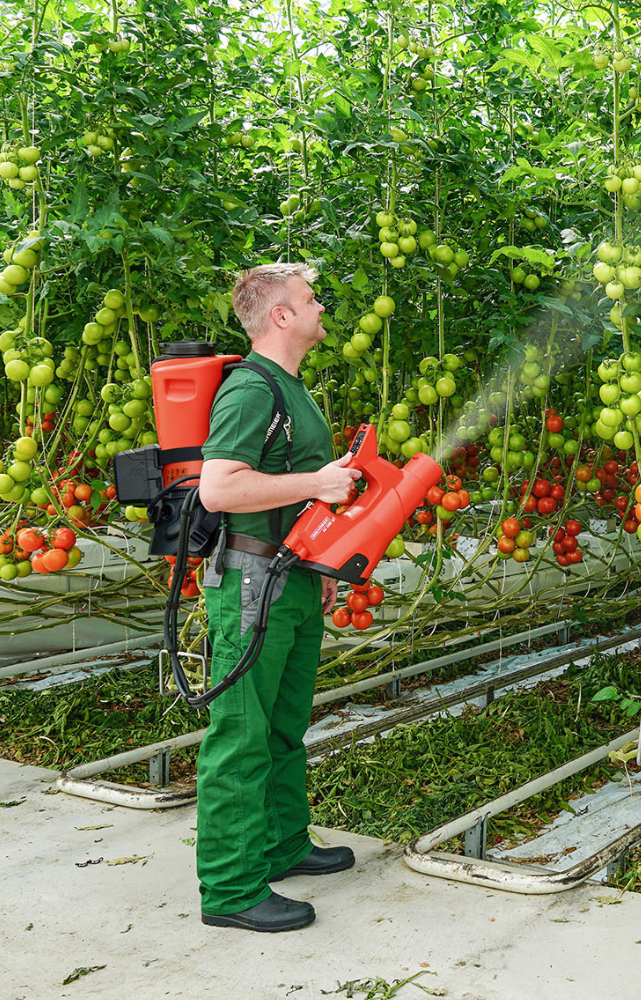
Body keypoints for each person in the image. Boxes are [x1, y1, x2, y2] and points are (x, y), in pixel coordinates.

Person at [196, 263, 362, 932]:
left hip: (290, 576)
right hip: (249, 584)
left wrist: (321, 565)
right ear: (282, 317)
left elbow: (296, 492)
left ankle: (282, 843)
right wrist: (317, 483)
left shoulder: (294, 389)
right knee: (242, 732)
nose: (321, 306)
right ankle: (232, 889)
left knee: (285, 723)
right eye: (310, 297)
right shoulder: (249, 390)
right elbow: (220, 490)